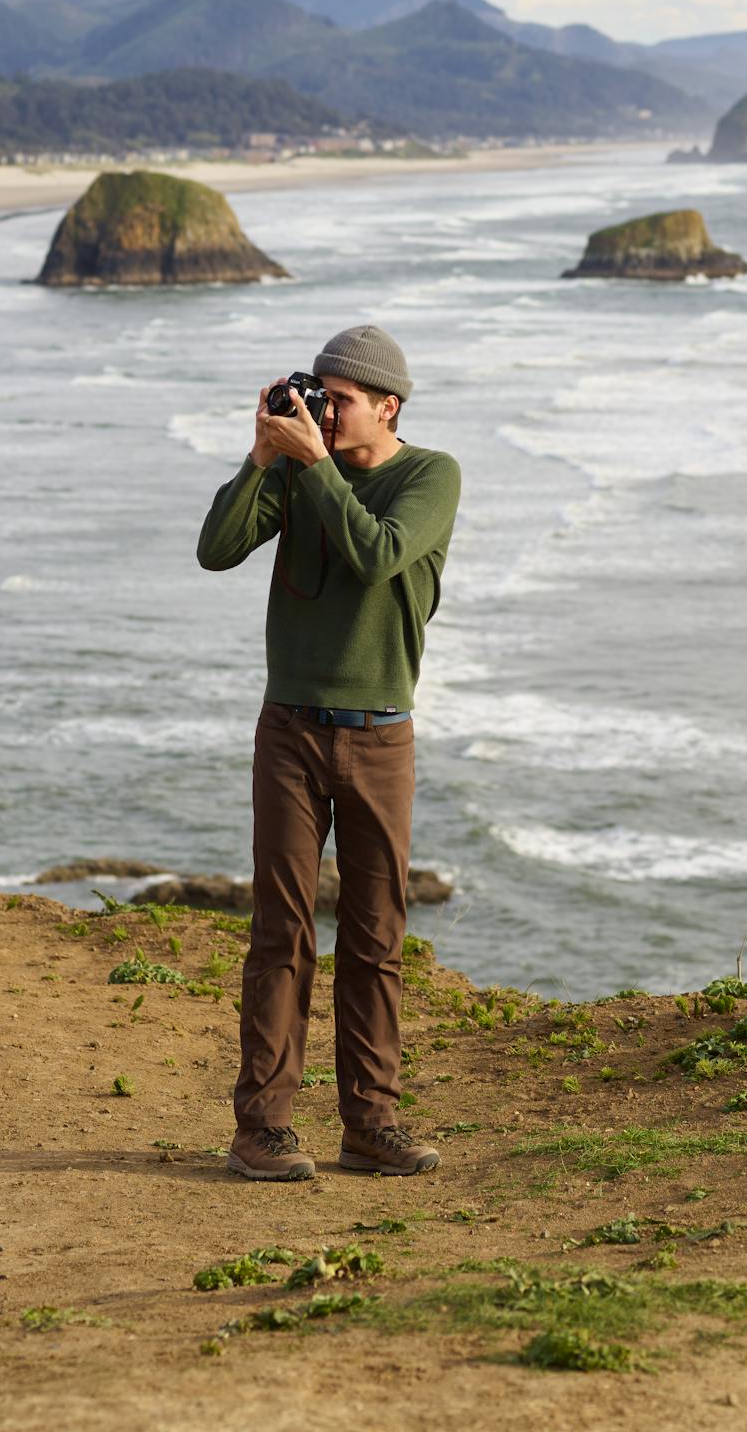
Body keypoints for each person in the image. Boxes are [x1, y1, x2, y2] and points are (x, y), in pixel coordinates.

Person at [196, 324, 461, 1181]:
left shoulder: (430, 476)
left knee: (377, 937)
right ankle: (261, 1129)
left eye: (340, 400)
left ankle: (369, 1124)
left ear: (387, 407)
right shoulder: (300, 469)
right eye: (319, 394)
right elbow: (216, 550)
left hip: (381, 733)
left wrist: (311, 468)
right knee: (281, 933)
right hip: (290, 731)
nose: (325, 410)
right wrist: (262, 456)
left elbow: (377, 554)